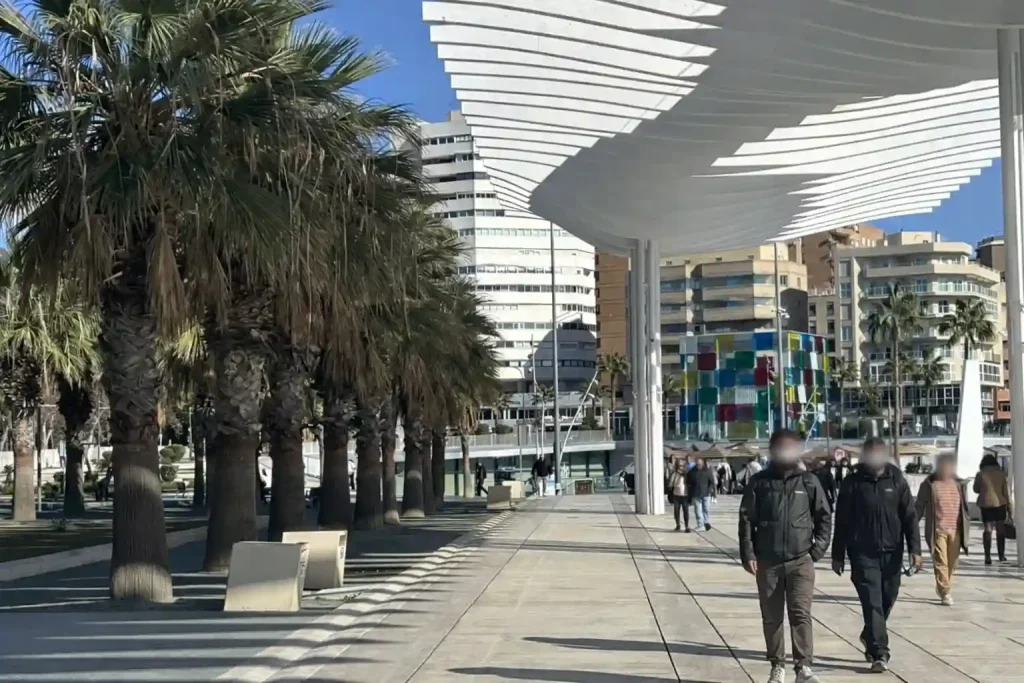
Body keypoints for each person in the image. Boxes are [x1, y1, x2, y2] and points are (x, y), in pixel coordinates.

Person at [739, 429, 831, 683]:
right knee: (772, 616)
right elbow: (746, 519)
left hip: (801, 560)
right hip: (767, 561)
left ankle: (803, 667)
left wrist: (817, 550)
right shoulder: (759, 482)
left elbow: (824, 516)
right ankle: (777, 665)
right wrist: (748, 553)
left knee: (800, 613)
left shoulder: (809, 482)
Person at [831, 438, 921, 673]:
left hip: (892, 553)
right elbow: (841, 520)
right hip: (863, 553)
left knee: (887, 598)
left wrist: (915, 550)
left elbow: (909, 517)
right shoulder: (852, 482)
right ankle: (880, 653)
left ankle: (869, 634)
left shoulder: (896, 479)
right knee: (872, 603)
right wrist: (837, 554)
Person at [915, 453, 969, 606]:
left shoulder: (959, 484)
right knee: (941, 561)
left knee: (952, 562)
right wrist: (911, 524)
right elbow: (919, 505)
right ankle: (945, 591)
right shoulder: (929, 484)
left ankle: (944, 586)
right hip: (938, 529)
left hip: (956, 529)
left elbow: (963, 507)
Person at [974, 453, 1012, 564]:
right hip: (1000, 504)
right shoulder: (1001, 474)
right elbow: (1006, 492)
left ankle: (987, 557)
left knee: (988, 529)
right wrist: (1010, 508)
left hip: (986, 504)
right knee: (1000, 530)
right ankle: (1001, 555)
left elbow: (976, 489)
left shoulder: (980, 474)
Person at [686, 457, 715, 531]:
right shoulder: (691, 472)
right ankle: (700, 524)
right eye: (697, 464)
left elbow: (712, 482)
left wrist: (710, 491)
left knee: (706, 509)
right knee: (698, 511)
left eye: (700, 464)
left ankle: (706, 523)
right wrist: (689, 496)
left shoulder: (707, 471)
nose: (698, 465)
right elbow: (688, 484)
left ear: (702, 464)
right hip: (695, 494)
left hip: (706, 494)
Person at [668, 458, 691, 532]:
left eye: (682, 465)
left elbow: (690, 483)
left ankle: (687, 526)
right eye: (679, 465)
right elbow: (670, 484)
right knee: (676, 511)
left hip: (685, 495)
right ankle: (678, 525)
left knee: (686, 511)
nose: (681, 467)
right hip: (676, 495)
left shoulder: (687, 474)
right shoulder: (674, 473)